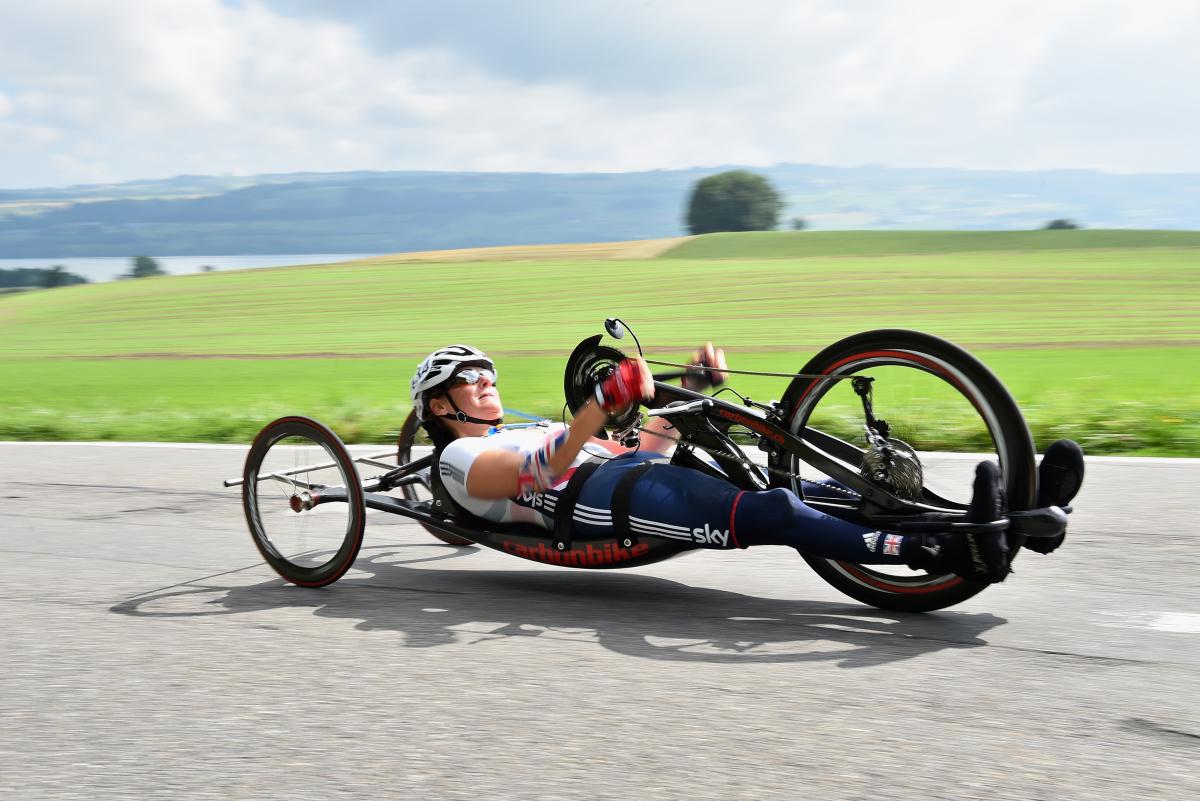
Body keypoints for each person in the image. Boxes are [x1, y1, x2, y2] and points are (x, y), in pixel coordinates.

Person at [409, 344, 1080, 582]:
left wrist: (693, 386)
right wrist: (595, 409)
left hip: (630, 478)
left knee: (818, 489)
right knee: (778, 511)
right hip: (594, 505)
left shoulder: (534, 425)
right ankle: (940, 552)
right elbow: (536, 478)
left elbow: (646, 449)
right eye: (470, 380)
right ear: (440, 406)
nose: (487, 382)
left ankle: (1013, 517)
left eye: (488, 373)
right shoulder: (461, 457)